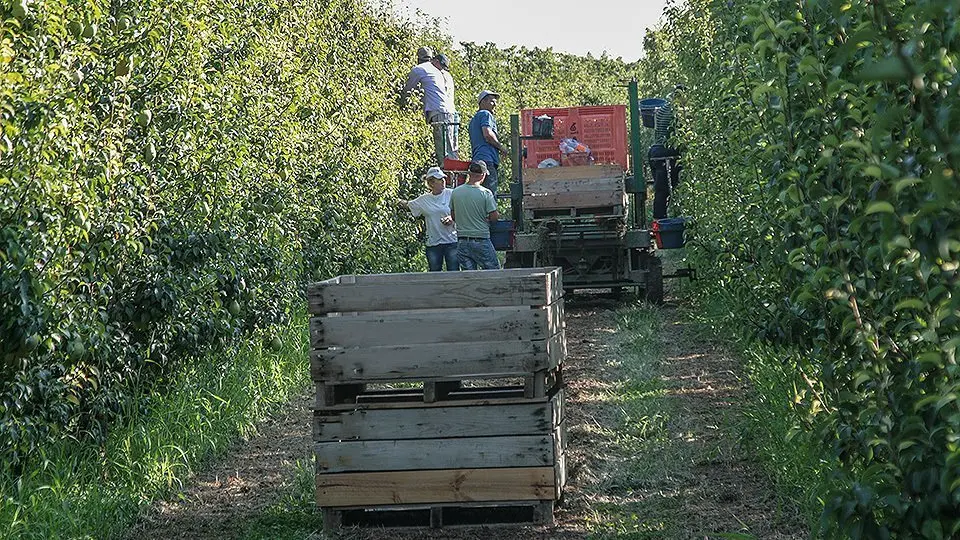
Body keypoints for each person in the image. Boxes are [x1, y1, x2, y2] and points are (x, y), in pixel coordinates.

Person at [401, 47, 458, 162]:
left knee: (444, 155)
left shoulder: (419, 69)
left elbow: (407, 91)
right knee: (452, 152)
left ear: (418, 58)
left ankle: (445, 178)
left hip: (440, 113)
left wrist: (401, 106)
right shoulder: (445, 74)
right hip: (453, 114)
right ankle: (454, 177)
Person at [398, 166, 458, 271]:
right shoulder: (424, 200)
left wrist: (452, 218)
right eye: (439, 179)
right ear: (431, 183)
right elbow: (408, 205)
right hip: (433, 243)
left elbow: (461, 211)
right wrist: (393, 200)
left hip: (451, 241)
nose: (443, 181)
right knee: (434, 274)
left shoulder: (452, 194)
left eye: (443, 178)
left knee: (454, 272)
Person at [450, 161, 500, 270]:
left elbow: (453, 216)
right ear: (483, 175)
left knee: (469, 278)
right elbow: (494, 217)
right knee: (494, 273)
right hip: (481, 240)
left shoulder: (455, 192)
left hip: (462, 241)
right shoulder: (486, 193)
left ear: (469, 174)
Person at [648, 84, 685, 220]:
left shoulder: (662, 109)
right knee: (673, 188)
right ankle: (675, 217)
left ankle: (658, 220)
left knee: (660, 191)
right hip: (668, 152)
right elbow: (681, 134)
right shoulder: (678, 111)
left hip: (655, 152)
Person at [468, 90, 507, 196]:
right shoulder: (485, 114)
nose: (495, 104)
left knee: (480, 196)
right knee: (490, 196)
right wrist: (501, 148)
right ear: (483, 102)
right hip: (487, 160)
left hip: (477, 160)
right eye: (492, 101)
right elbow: (487, 134)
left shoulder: (474, 120)